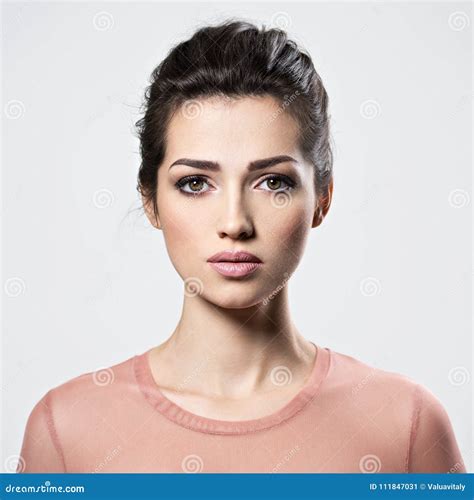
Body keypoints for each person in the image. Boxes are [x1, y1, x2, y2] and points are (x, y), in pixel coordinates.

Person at [16, 19, 466, 473]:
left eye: (273, 182)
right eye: (195, 183)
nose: (234, 222)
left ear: (322, 199)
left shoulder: (406, 426)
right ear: (150, 200)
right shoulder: (67, 430)